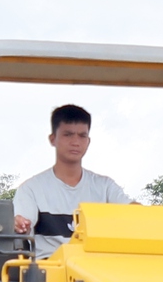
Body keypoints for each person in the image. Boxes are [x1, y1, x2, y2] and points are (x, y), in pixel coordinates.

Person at [13, 103, 130, 254]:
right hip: (49, 266)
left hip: (96, 265)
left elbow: (132, 211)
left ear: (88, 141)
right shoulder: (31, 188)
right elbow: (23, 223)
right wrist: (20, 224)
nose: (75, 142)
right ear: (52, 139)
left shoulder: (106, 187)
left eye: (82, 136)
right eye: (68, 134)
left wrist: (141, 210)